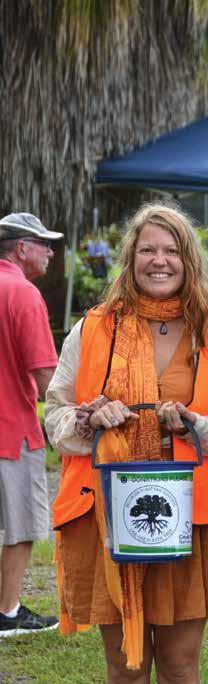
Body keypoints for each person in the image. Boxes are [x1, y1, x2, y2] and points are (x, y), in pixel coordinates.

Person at [45, 202, 208, 684]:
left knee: (179, 662)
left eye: (171, 250)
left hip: (194, 520)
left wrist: (194, 424)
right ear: (131, 257)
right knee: (124, 666)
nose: (159, 260)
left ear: (188, 260)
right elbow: (55, 416)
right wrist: (89, 419)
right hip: (108, 520)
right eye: (148, 250)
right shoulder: (94, 328)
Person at [0, 212, 62, 636]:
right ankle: (7, 612)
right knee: (20, 526)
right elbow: (45, 376)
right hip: (12, 427)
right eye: (45, 244)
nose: (51, 252)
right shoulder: (23, 293)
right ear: (22, 248)